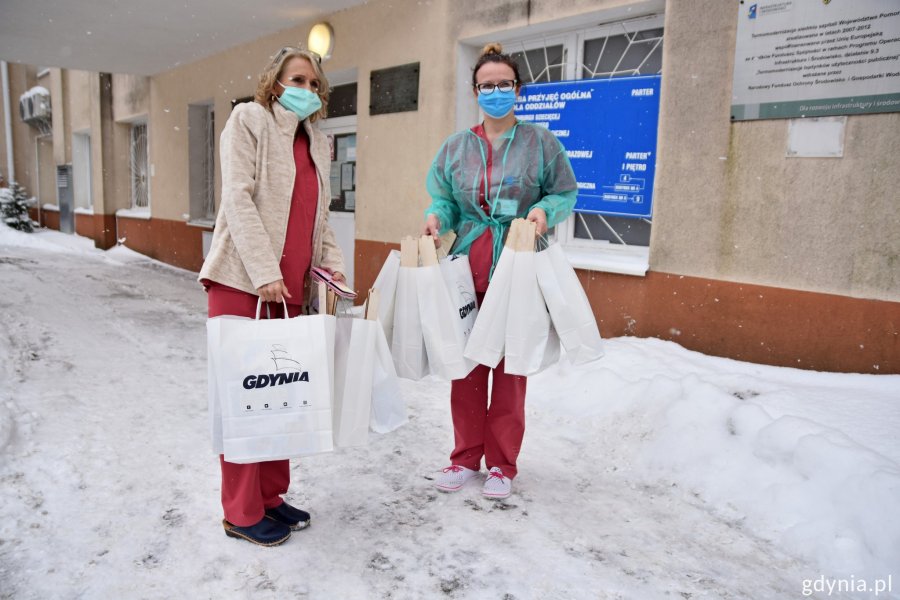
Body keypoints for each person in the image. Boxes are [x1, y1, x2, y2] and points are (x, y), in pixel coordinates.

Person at [199, 47, 346, 546]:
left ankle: (270, 497)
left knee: (280, 395)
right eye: (297, 78)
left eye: (314, 82)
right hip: (244, 282)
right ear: (275, 82)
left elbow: (320, 219)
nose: (306, 88)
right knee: (245, 397)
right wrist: (263, 271)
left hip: (292, 291)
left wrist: (335, 275)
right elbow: (236, 198)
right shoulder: (250, 121)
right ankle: (240, 512)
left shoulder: (316, 142)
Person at [422, 43, 577, 500]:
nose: (495, 92)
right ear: (475, 91)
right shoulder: (455, 147)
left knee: (510, 368)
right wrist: (437, 218)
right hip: (468, 265)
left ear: (518, 90)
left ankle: (502, 465)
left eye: (503, 85)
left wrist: (545, 211)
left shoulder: (541, 143)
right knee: (466, 365)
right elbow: (444, 200)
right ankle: (465, 456)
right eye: (486, 86)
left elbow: (564, 191)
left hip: (518, 261)